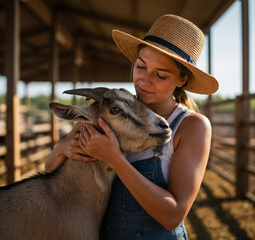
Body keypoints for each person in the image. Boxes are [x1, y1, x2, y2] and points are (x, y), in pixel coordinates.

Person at [45, 14, 218, 239]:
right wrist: (62, 149)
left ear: (181, 80)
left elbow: (173, 216)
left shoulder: (192, 126)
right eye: (141, 66)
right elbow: (51, 171)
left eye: (161, 75)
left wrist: (114, 158)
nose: (145, 80)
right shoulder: (111, 111)